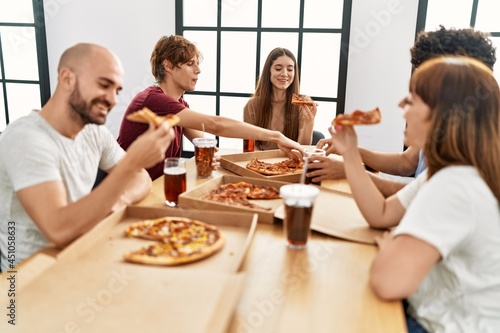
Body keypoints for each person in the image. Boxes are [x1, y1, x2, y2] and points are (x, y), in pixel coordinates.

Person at [331, 56, 500, 332]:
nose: (400, 105)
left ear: (443, 115)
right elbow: (381, 213)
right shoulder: (446, 173)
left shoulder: (456, 184)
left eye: (411, 100)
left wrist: (390, 248)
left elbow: (388, 281)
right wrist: (350, 152)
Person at [0, 43, 175, 271]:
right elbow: (59, 229)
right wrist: (132, 161)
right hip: (25, 278)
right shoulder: (26, 139)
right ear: (67, 78)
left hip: (82, 253)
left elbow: (140, 178)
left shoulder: (94, 132)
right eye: (104, 85)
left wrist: (116, 204)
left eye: (117, 91)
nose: (113, 99)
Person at [310, 26, 496, 197]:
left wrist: (351, 170)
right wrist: (351, 151)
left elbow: (428, 197)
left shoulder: (476, 144)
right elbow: (407, 162)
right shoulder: (440, 120)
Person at [118, 35, 304, 180]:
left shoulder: (179, 105)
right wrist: (276, 136)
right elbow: (216, 124)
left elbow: (205, 146)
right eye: (190, 64)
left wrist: (210, 156)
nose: (198, 70)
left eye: (197, 64)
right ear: (168, 65)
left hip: (155, 185)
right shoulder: (154, 100)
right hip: (128, 188)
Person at [243, 47, 317, 150]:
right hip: (261, 161)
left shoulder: (302, 103)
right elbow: (250, 146)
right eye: (278, 68)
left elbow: (303, 148)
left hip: (291, 162)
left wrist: (309, 123)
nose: (285, 74)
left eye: (290, 69)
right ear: (268, 71)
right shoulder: (252, 105)